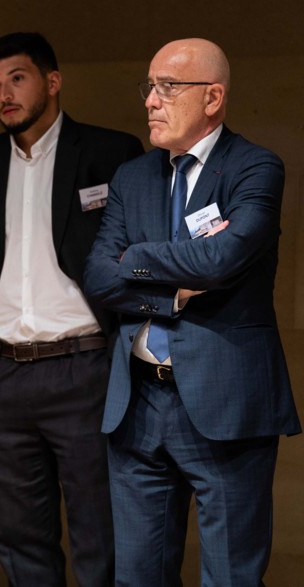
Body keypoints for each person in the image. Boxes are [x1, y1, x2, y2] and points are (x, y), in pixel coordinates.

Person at [83, 38, 301, 585]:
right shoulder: (133, 177)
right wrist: (172, 294)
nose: (150, 100)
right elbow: (98, 277)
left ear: (213, 97)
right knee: (137, 577)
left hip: (225, 404)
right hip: (137, 403)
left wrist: (134, 257)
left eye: (168, 86)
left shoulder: (255, 168)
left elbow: (221, 259)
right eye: (149, 86)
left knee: (230, 576)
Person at [0, 32, 143, 586]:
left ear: (52, 82)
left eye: (17, 79)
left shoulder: (111, 153)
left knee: (101, 537)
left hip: (84, 371)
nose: (4, 95)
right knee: (19, 542)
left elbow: (137, 258)